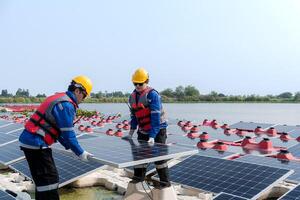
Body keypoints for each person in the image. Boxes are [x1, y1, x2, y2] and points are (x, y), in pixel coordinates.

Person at [19, 75, 94, 200]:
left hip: (31, 141)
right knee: (50, 182)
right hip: (36, 143)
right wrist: (81, 153)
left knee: (43, 183)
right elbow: (69, 134)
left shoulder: (59, 98)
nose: (84, 99)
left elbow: (57, 131)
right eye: (84, 95)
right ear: (77, 90)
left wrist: (69, 147)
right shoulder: (66, 105)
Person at [123, 68, 171, 189]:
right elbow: (134, 117)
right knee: (139, 155)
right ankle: (138, 179)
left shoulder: (153, 95)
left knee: (159, 158)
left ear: (147, 81)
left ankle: (165, 183)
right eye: (135, 83)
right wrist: (131, 133)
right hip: (143, 129)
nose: (138, 86)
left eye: (141, 83)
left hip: (158, 129)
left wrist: (152, 136)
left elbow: (155, 118)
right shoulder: (132, 97)